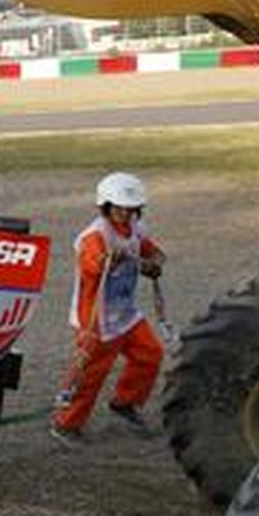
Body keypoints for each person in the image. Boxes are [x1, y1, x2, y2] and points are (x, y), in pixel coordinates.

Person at [51, 172, 167, 446]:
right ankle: (66, 424)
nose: (125, 214)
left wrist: (154, 264)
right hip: (96, 320)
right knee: (90, 374)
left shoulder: (136, 229)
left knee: (151, 354)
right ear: (105, 206)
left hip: (125, 315)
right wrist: (111, 259)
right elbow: (93, 264)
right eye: (119, 208)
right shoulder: (95, 236)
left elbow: (156, 253)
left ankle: (125, 402)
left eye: (131, 209)